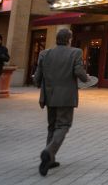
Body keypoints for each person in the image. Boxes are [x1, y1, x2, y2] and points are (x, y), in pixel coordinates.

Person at [33, 28, 89, 176]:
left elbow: (37, 77)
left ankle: (50, 160)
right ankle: (48, 152)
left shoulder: (44, 53)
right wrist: (87, 79)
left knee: (51, 126)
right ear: (69, 39)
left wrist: (39, 83)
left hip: (49, 96)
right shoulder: (75, 52)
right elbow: (78, 71)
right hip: (65, 97)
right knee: (63, 125)